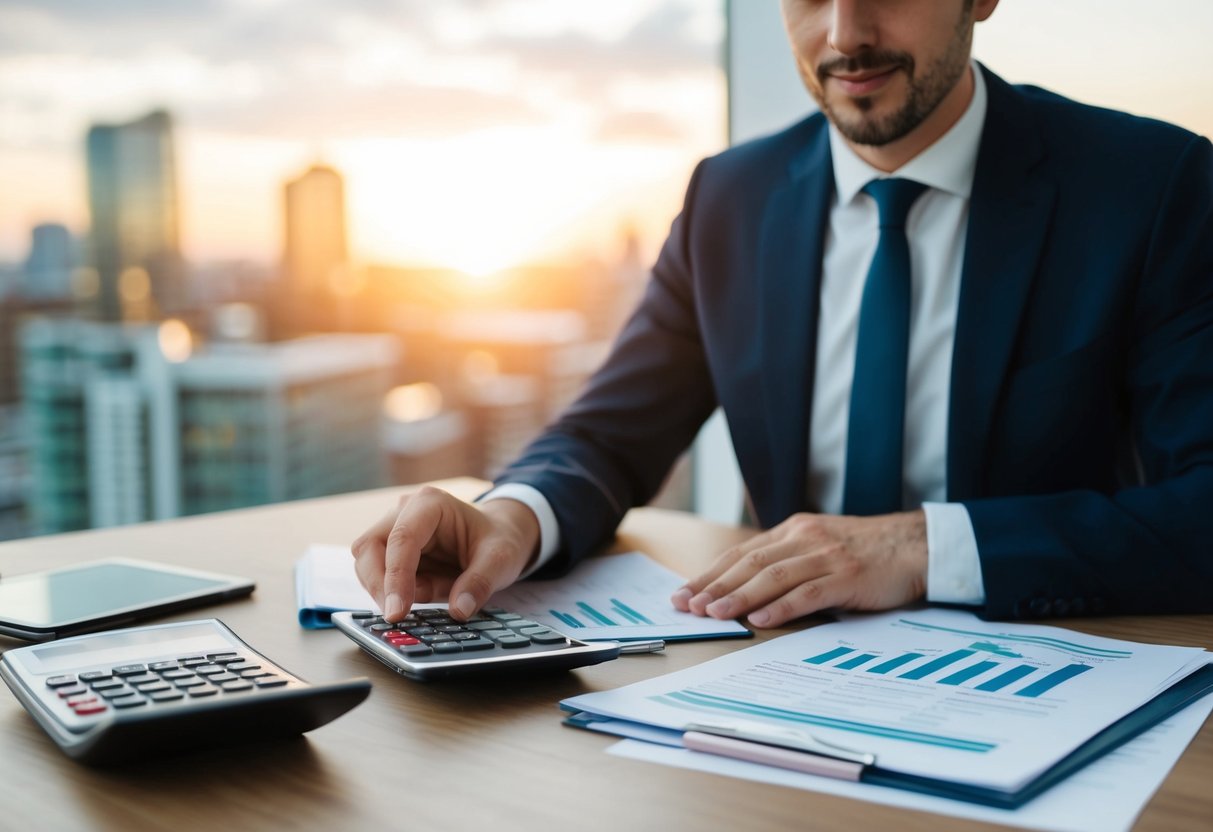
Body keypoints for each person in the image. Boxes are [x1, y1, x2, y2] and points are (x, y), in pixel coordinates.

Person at [352, 0, 1213, 629]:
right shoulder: (729, 196)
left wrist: (917, 549)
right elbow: (608, 436)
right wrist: (512, 517)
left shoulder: (1149, 188)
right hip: (783, 678)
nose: (844, 32)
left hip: (1062, 667)